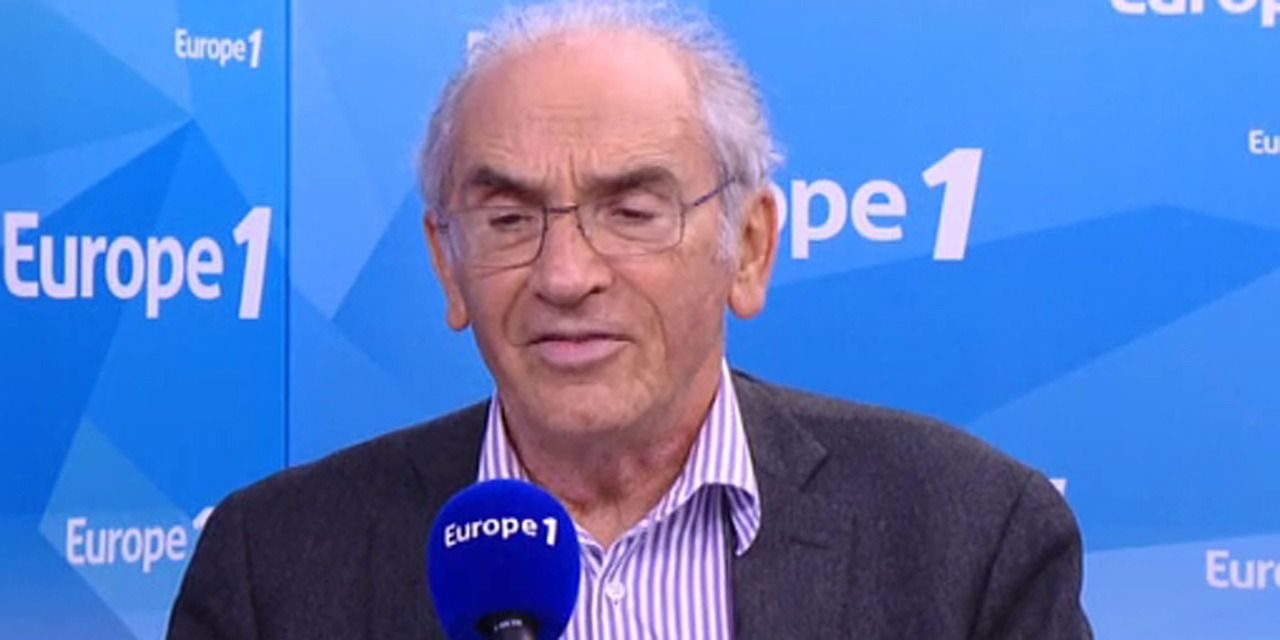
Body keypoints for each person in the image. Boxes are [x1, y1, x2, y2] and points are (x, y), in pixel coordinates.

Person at [169, 2, 1092, 638]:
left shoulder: (971, 540)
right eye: (509, 220)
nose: (566, 275)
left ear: (749, 247)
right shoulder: (273, 570)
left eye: (632, 212)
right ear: (448, 263)